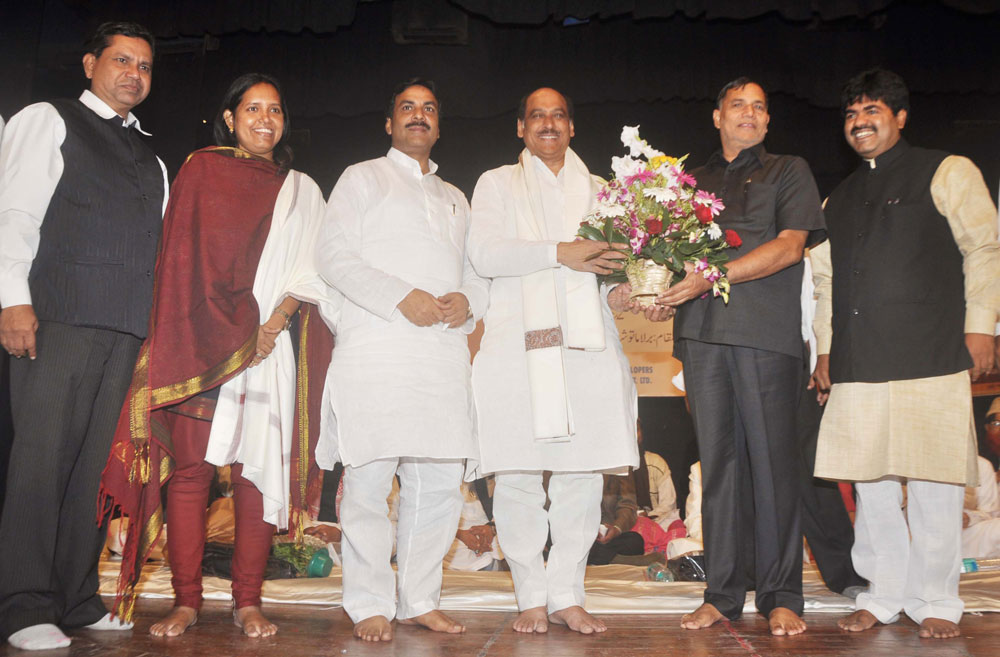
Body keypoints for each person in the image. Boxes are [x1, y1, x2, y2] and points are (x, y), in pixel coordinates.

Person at [99, 73, 334, 639]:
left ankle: (248, 601)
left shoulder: (302, 188)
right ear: (229, 118)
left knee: (255, 476)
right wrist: (230, 330)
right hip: (199, 344)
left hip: (267, 350)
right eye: (252, 109)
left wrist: (269, 327)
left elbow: (313, 270)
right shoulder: (200, 170)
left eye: (275, 110)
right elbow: (182, 262)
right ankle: (186, 600)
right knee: (190, 475)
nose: (264, 120)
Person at [810, 68, 1000, 640]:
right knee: (870, 487)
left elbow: (984, 246)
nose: (860, 123)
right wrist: (825, 350)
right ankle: (884, 593)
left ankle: (937, 598)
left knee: (936, 483)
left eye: (873, 111)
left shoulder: (947, 171)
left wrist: (982, 326)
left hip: (932, 352)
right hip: (860, 361)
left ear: (900, 117)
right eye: (851, 114)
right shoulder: (835, 198)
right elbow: (824, 283)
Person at [0, 22, 167, 651]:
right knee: (41, 462)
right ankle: (19, 607)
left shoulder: (151, 158)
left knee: (93, 471)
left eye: (145, 66)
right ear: (91, 62)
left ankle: (74, 596)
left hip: (124, 331)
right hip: (59, 318)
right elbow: (14, 212)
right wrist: (13, 299)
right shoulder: (49, 119)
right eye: (122, 60)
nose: (134, 73)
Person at [468, 87, 647, 635]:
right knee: (518, 476)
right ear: (520, 128)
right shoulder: (495, 183)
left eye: (559, 116)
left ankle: (568, 593)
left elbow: (613, 274)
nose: (548, 124)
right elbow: (485, 253)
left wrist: (626, 293)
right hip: (514, 349)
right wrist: (558, 253)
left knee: (582, 477)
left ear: (572, 128)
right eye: (537, 116)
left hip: (586, 350)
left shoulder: (601, 192)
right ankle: (529, 594)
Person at [315, 78, 487, 642]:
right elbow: (332, 256)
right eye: (407, 109)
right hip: (378, 349)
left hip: (440, 355)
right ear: (389, 124)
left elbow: (475, 276)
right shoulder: (362, 178)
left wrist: (468, 301)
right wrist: (399, 296)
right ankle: (367, 601)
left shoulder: (456, 197)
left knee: (438, 485)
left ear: (438, 126)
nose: (419, 116)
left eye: (429, 109)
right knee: (367, 483)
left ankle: (418, 599)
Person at [656, 77, 825, 636]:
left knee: (773, 466)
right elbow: (669, 261)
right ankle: (723, 594)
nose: (748, 114)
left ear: (768, 121)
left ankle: (782, 595)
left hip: (764, 335)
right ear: (717, 116)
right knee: (718, 469)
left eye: (759, 106)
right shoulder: (688, 183)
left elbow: (789, 246)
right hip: (702, 339)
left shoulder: (788, 170)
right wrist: (658, 293)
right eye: (737, 105)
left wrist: (711, 275)